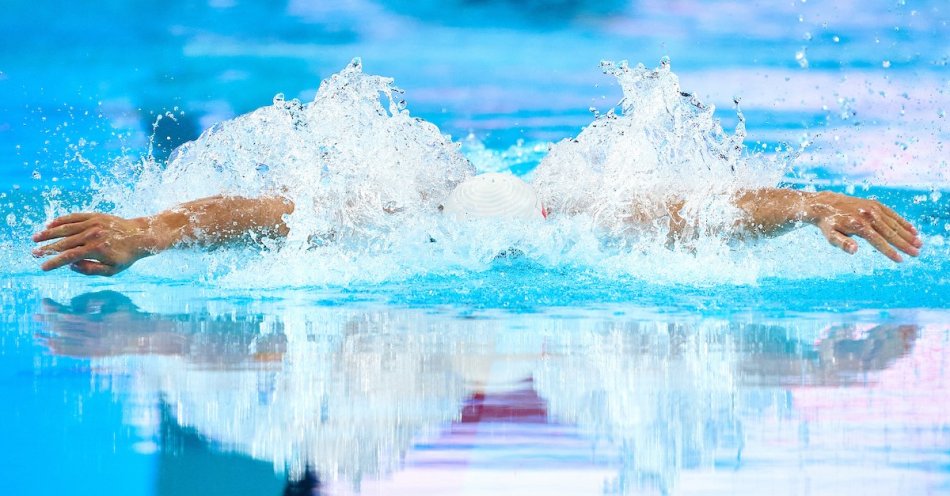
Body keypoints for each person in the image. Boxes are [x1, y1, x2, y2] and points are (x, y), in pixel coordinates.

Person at [31, 170, 922, 277]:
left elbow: (693, 209)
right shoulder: (400, 221)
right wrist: (152, 229)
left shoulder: (573, 219)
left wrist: (807, 203)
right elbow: (280, 212)